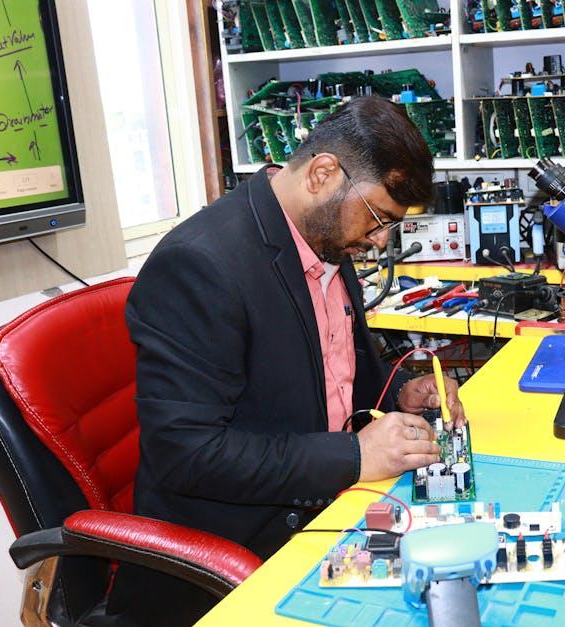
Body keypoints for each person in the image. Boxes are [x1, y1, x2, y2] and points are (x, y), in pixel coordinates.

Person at [109, 97, 465, 625]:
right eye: (377, 219)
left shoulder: (324, 240)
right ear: (323, 173)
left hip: (326, 506)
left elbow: (331, 377)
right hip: (235, 555)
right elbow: (187, 455)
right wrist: (353, 458)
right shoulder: (201, 265)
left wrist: (398, 393)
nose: (380, 241)